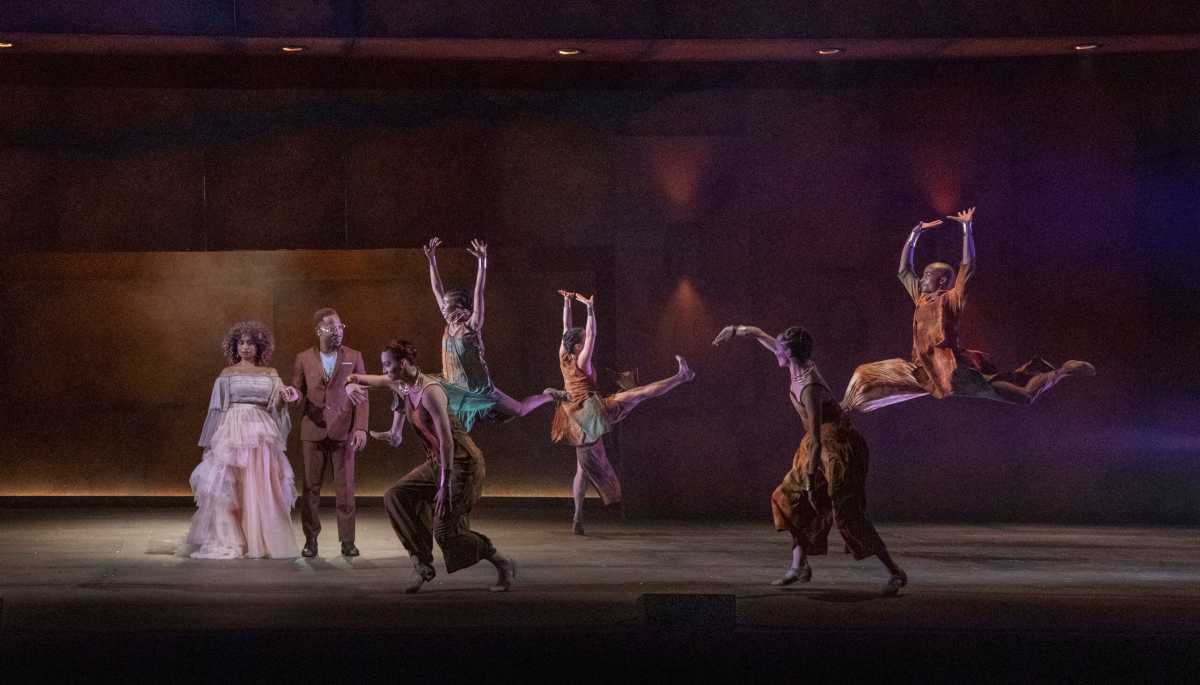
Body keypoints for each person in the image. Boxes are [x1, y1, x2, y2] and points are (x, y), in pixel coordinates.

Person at [713, 323, 907, 595]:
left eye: (779, 349)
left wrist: (810, 479)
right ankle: (798, 567)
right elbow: (759, 334)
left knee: (847, 513)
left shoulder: (809, 387)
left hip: (837, 449)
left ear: (790, 355)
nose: (774, 351)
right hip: (815, 445)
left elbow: (818, 439)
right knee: (789, 498)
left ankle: (895, 572)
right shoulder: (795, 364)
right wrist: (735, 330)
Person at [842, 207, 1095, 414]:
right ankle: (845, 406)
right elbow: (904, 272)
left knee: (1025, 396)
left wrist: (967, 229)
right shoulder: (920, 297)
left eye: (928, 274)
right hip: (921, 371)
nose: (922, 278)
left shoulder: (950, 300)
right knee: (865, 374)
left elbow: (968, 266)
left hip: (954, 374)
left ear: (942, 281)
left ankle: (1064, 371)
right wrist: (913, 236)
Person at [346, 340, 517, 593]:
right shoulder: (401, 383)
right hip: (438, 463)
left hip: (462, 465)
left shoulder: (430, 391)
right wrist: (350, 386)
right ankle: (422, 565)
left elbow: (447, 441)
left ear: (403, 364)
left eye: (387, 365)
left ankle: (501, 562)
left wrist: (444, 484)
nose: (384, 370)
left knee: (446, 533)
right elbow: (356, 377)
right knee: (396, 495)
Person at [552, 290, 695, 534]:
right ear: (578, 346)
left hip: (576, 418)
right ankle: (682, 377)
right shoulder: (581, 361)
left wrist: (566, 303)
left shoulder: (563, 355)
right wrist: (589, 309)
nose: (587, 341)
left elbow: (565, 329)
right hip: (592, 413)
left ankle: (577, 518)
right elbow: (593, 333)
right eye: (583, 340)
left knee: (581, 469)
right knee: (638, 394)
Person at [183, 321, 301, 559]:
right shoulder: (227, 374)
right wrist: (210, 445)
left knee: (260, 484)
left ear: (260, 347)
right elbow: (216, 410)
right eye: (241, 343)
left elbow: (275, 407)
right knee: (231, 487)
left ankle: (260, 539)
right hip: (232, 431)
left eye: (250, 343)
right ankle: (232, 539)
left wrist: (285, 396)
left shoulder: (270, 374)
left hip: (260, 433)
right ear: (235, 347)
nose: (245, 347)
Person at [423, 237, 558, 431]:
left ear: (461, 308)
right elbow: (437, 289)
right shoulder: (449, 323)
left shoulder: (471, 326)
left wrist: (482, 262)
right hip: (457, 389)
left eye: (448, 307)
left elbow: (479, 292)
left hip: (480, 390)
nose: (443, 310)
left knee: (519, 410)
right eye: (443, 307)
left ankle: (549, 395)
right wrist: (432, 260)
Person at [290, 307, 368, 558]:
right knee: (311, 488)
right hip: (312, 431)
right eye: (331, 328)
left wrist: (361, 427)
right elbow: (298, 389)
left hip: (343, 431)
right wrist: (293, 395)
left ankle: (347, 541)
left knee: (345, 487)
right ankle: (310, 540)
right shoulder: (303, 358)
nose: (337, 332)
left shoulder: (354, 356)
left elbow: (362, 395)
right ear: (318, 330)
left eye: (339, 327)